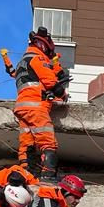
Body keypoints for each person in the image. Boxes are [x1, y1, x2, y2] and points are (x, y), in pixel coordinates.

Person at [13, 27, 69, 181]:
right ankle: (48, 175)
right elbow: (50, 82)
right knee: (47, 142)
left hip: (22, 107)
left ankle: (25, 175)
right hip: (35, 107)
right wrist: (62, 94)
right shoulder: (36, 59)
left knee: (26, 144)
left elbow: (33, 82)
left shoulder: (21, 63)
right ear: (43, 45)